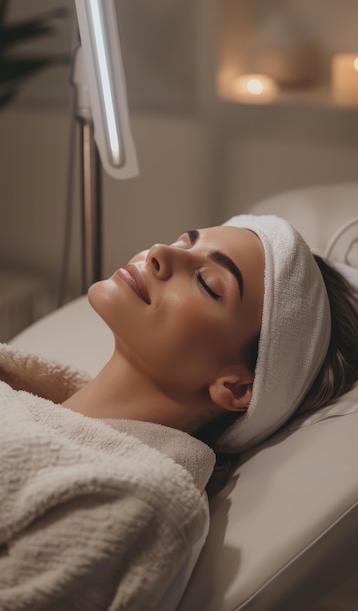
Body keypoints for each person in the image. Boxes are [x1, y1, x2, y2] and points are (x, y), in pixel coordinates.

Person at [0, 214, 357, 611]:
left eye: (207, 283)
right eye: (184, 242)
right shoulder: (20, 396)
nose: (161, 253)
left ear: (236, 387)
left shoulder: (134, 501)